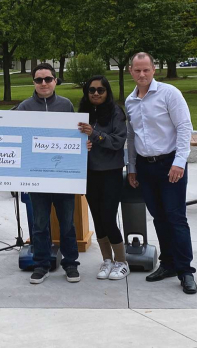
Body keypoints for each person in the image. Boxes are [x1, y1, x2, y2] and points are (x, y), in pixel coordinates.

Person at [126, 52, 197, 294]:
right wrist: (132, 168)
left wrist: (180, 162)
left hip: (170, 164)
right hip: (146, 167)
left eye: (146, 69)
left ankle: (185, 270)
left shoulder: (169, 93)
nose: (142, 74)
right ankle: (167, 263)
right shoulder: (130, 101)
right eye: (137, 70)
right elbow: (132, 137)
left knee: (176, 218)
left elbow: (184, 127)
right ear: (130, 71)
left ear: (154, 69)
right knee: (158, 217)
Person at [17, 62, 80, 284]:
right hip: (37, 176)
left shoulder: (66, 105)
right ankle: (41, 264)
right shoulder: (24, 107)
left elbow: (74, 138)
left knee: (67, 223)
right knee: (40, 224)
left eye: (48, 79)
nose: (43, 83)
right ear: (33, 82)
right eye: (38, 79)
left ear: (55, 81)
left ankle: (71, 264)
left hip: (63, 175)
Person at [77, 76, 130, 280]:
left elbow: (118, 142)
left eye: (101, 90)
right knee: (97, 218)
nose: (96, 94)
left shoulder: (116, 112)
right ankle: (107, 259)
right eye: (91, 90)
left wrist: (95, 135)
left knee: (108, 217)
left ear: (107, 92)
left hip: (111, 172)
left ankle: (122, 261)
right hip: (89, 172)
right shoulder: (82, 113)